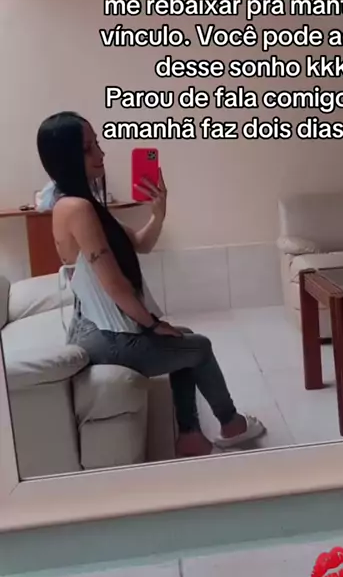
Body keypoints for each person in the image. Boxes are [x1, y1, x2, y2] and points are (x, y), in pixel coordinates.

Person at [36, 111, 266, 458]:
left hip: (101, 328)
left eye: (97, 143)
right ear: (66, 156)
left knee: (183, 341)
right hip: (105, 336)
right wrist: (152, 324)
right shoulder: (77, 208)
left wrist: (158, 213)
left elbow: (141, 243)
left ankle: (191, 436)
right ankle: (231, 424)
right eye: (88, 147)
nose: (100, 153)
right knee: (199, 347)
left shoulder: (83, 205)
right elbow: (114, 284)